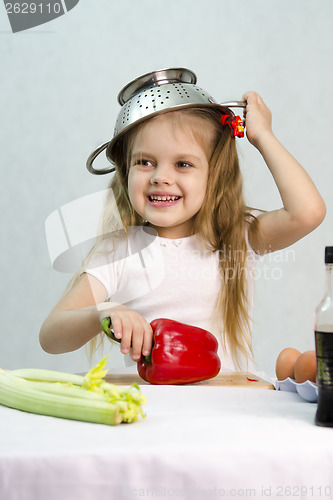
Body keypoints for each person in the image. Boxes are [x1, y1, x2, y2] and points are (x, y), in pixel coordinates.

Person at [39, 69, 326, 372]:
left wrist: (263, 136)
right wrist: (101, 312)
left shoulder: (236, 235)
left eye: (183, 164)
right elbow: (51, 336)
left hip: (232, 405)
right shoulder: (119, 251)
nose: (161, 177)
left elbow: (307, 213)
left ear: (213, 174)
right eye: (145, 162)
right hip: (157, 411)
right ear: (125, 171)